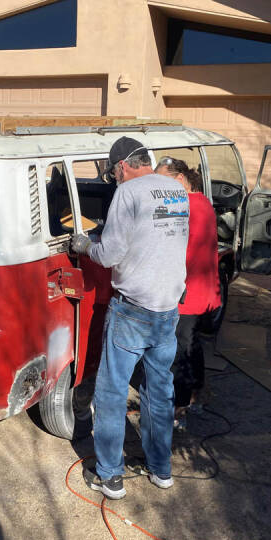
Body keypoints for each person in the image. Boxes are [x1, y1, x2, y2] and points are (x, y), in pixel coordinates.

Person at [70, 137, 189, 500]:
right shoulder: (176, 190)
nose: (115, 180)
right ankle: (160, 469)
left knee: (111, 392)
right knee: (159, 390)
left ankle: (110, 476)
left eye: (113, 173)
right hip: (168, 309)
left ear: (122, 165)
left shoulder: (128, 192)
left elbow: (110, 255)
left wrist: (84, 245)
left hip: (132, 310)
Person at [154, 157, 221, 430]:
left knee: (179, 352)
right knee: (192, 345)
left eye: (161, 182)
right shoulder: (203, 202)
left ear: (180, 180)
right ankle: (196, 393)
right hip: (202, 291)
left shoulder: (184, 206)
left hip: (187, 294)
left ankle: (178, 408)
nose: (157, 188)